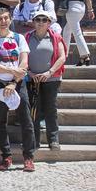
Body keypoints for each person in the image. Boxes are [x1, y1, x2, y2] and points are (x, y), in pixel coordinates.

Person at [0, 7, 35, 172]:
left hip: (18, 84)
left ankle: (28, 157)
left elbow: (24, 63)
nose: (3, 21)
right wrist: (12, 71)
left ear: (11, 19)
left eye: (6, 18)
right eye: (0, 19)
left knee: (26, 119)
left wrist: (13, 81)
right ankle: (6, 156)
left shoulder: (19, 38)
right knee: (0, 121)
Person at [25, 10, 66, 151]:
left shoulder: (55, 37)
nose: (41, 22)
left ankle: (53, 140)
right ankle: (34, 140)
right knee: (34, 110)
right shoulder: (27, 37)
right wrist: (29, 73)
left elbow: (62, 57)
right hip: (32, 78)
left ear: (49, 23)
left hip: (51, 79)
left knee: (50, 109)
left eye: (44, 20)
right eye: (38, 19)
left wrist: (49, 72)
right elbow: (22, 57)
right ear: (33, 22)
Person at [62, 0, 95, 66]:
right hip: (81, 7)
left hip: (72, 6)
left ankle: (85, 55)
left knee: (76, 31)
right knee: (67, 30)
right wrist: (90, 10)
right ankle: (64, 54)